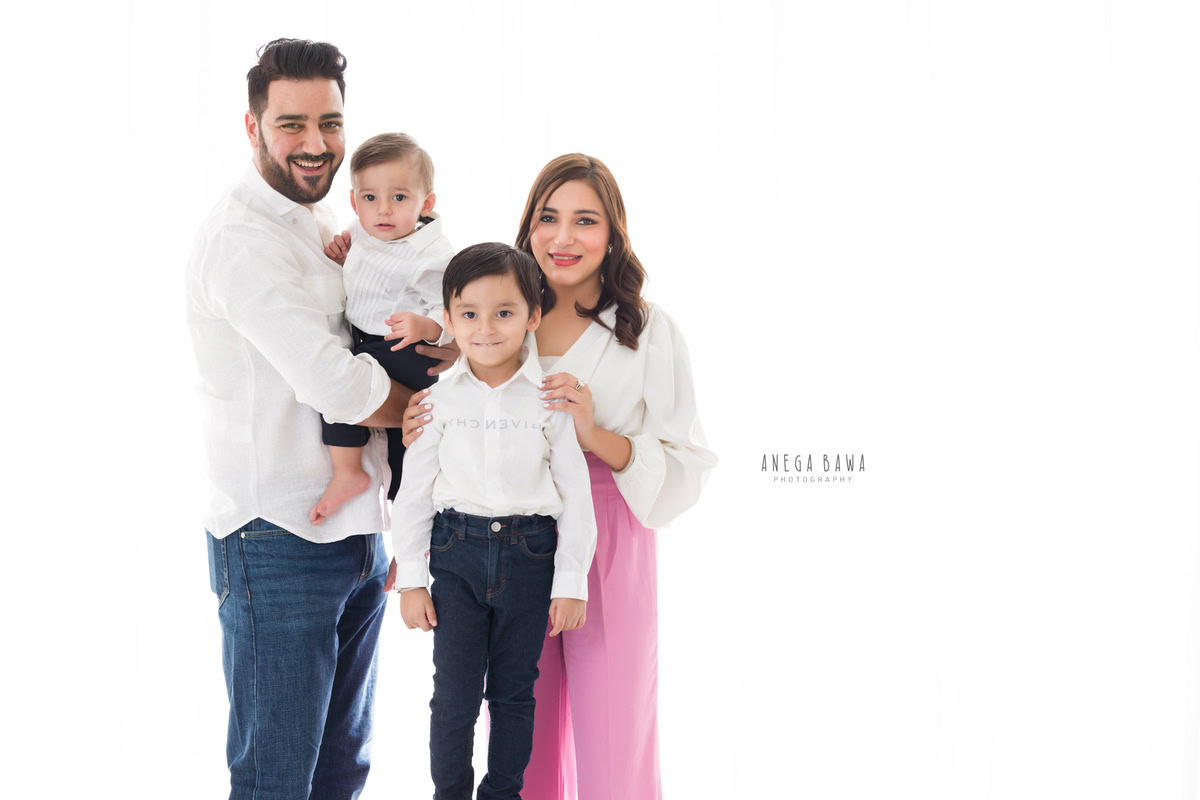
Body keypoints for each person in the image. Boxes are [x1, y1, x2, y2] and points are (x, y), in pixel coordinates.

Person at [396, 153, 718, 799]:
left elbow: (688, 460)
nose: (564, 237)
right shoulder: (498, 315)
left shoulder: (648, 331)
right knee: (521, 724)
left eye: (585, 221)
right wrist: (412, 424)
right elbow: (445, 416)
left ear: (613, 233)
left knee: (614, 725)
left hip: (613, 529)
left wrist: (597, 434)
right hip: (502, 539)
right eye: (548, 218)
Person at [185, 38, 437, 800]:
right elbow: (339, 381)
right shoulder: (241, 240)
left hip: (355, 535)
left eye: (330, 123)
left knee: (340, 774)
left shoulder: (327, 217)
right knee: (276, 782)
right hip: (278, 543)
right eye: (291, 123)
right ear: (252, 126)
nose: (315, 143)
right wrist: (437, 410)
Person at [391, 242, 598, 800]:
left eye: (504, 313)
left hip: (531, 557)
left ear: (532, 315)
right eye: (469, 314)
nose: (486, 329)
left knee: (513, 694)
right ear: (450, 318)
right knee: (453, 697)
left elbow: (576, 494)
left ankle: (503, 794)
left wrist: (571, 582)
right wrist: (411, 580)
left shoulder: (549, 399)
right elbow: (413, 494)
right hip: (455, 554)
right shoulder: (436, 400)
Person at [311, 132, 454, 523]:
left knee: (343, 388)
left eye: (400, 197)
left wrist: (427, 324)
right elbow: (365, 282)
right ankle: (366, 485)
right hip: (367, 338)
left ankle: (355, 478)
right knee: (394, 439)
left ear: (426, 203)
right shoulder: (361, 231)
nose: (383, 210)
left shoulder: (432, 254)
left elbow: (457, 309)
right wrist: (344, 261)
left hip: (406, 347)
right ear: (355, 201)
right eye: (370, 198)